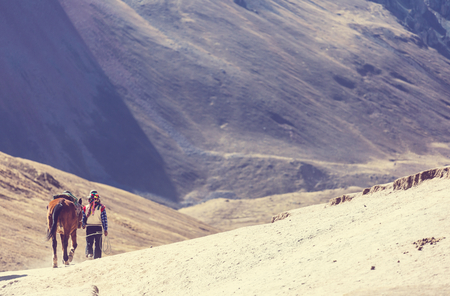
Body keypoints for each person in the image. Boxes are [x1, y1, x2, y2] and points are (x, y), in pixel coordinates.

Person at [82, 190, 108, 259]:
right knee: (98, 244)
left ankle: (89, 253)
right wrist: (105, 229)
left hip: (89, 227)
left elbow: (83, 217)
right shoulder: (101, 207)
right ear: (97, 199)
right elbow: (104, 219)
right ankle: (97, 258)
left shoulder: (85, 208)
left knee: (89, 242)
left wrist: (83, 224)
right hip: (98, 227)